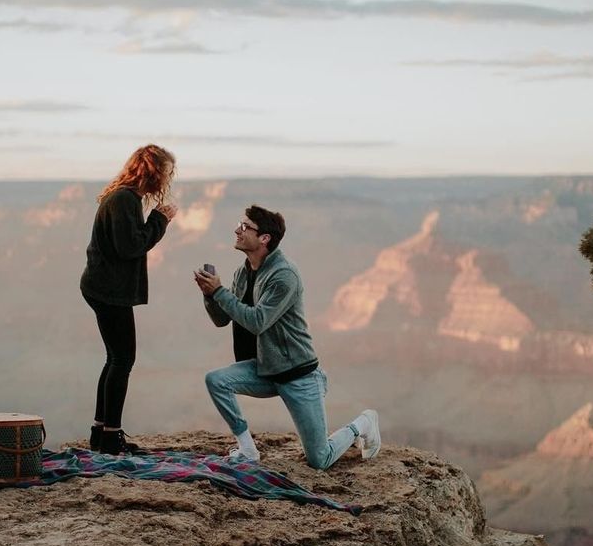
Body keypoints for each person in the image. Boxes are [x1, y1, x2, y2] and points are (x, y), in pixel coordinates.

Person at [194, 204, 381, 468]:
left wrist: (219, 292)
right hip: (265, 369)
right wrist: (209, 294)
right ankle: (247, 450)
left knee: (320, 459)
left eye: (245, 226)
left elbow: (258, 321)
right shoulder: (242, 272)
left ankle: (362, 423)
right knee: (216, 381)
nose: (238, 229)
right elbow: (222, 320)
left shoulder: (284, 275)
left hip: (297, 375)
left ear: (264, 238)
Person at [80, 144, 178, 455]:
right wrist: (159, 220)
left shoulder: (125, 197)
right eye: (165, 172)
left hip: (104, 288)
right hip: (109, 291)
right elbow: (130, 247)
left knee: (114, 359)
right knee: (123, 360)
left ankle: (100, 431)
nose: (167, 179)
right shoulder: (124, 199)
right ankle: (111, 436)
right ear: (151, 172)